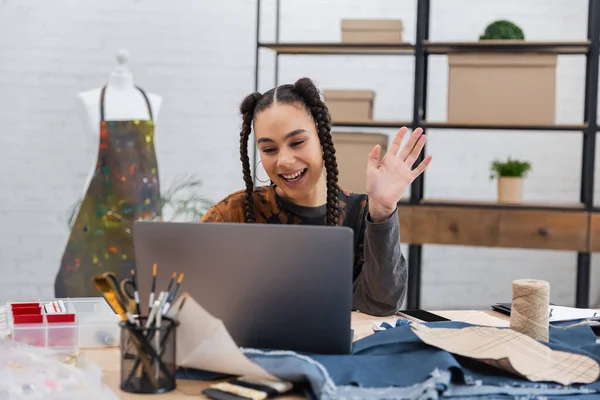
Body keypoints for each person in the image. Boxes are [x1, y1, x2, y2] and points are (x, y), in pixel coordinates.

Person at [200, 77, 432, 316]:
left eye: (297, 142)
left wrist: (383, 212)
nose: (285, 161)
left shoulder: (364, 213)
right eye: (269, 149)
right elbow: (190, 298)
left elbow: (381, 304)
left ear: (322, 138)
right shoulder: (231, 215)